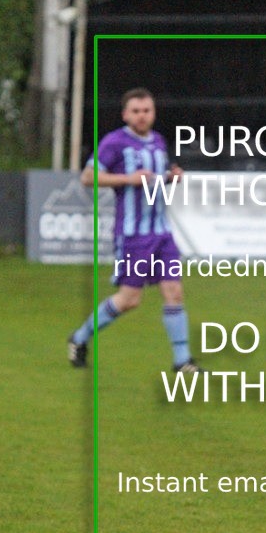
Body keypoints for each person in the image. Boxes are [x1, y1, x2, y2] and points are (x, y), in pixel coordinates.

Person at [67, 87, 200, 374]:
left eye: (147, 111)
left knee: (174, 291)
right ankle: (79, 338)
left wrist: (172, 177)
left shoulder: (158, 142)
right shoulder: (114, 143)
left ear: (153, 113)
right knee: (129, 300)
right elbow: (88, 177)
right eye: (136, 111)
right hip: (133, 235)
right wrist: (128, 178)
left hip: (161, 231)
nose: (142, 116)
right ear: (126, 114)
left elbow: (155, 179)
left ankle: (183, 361)